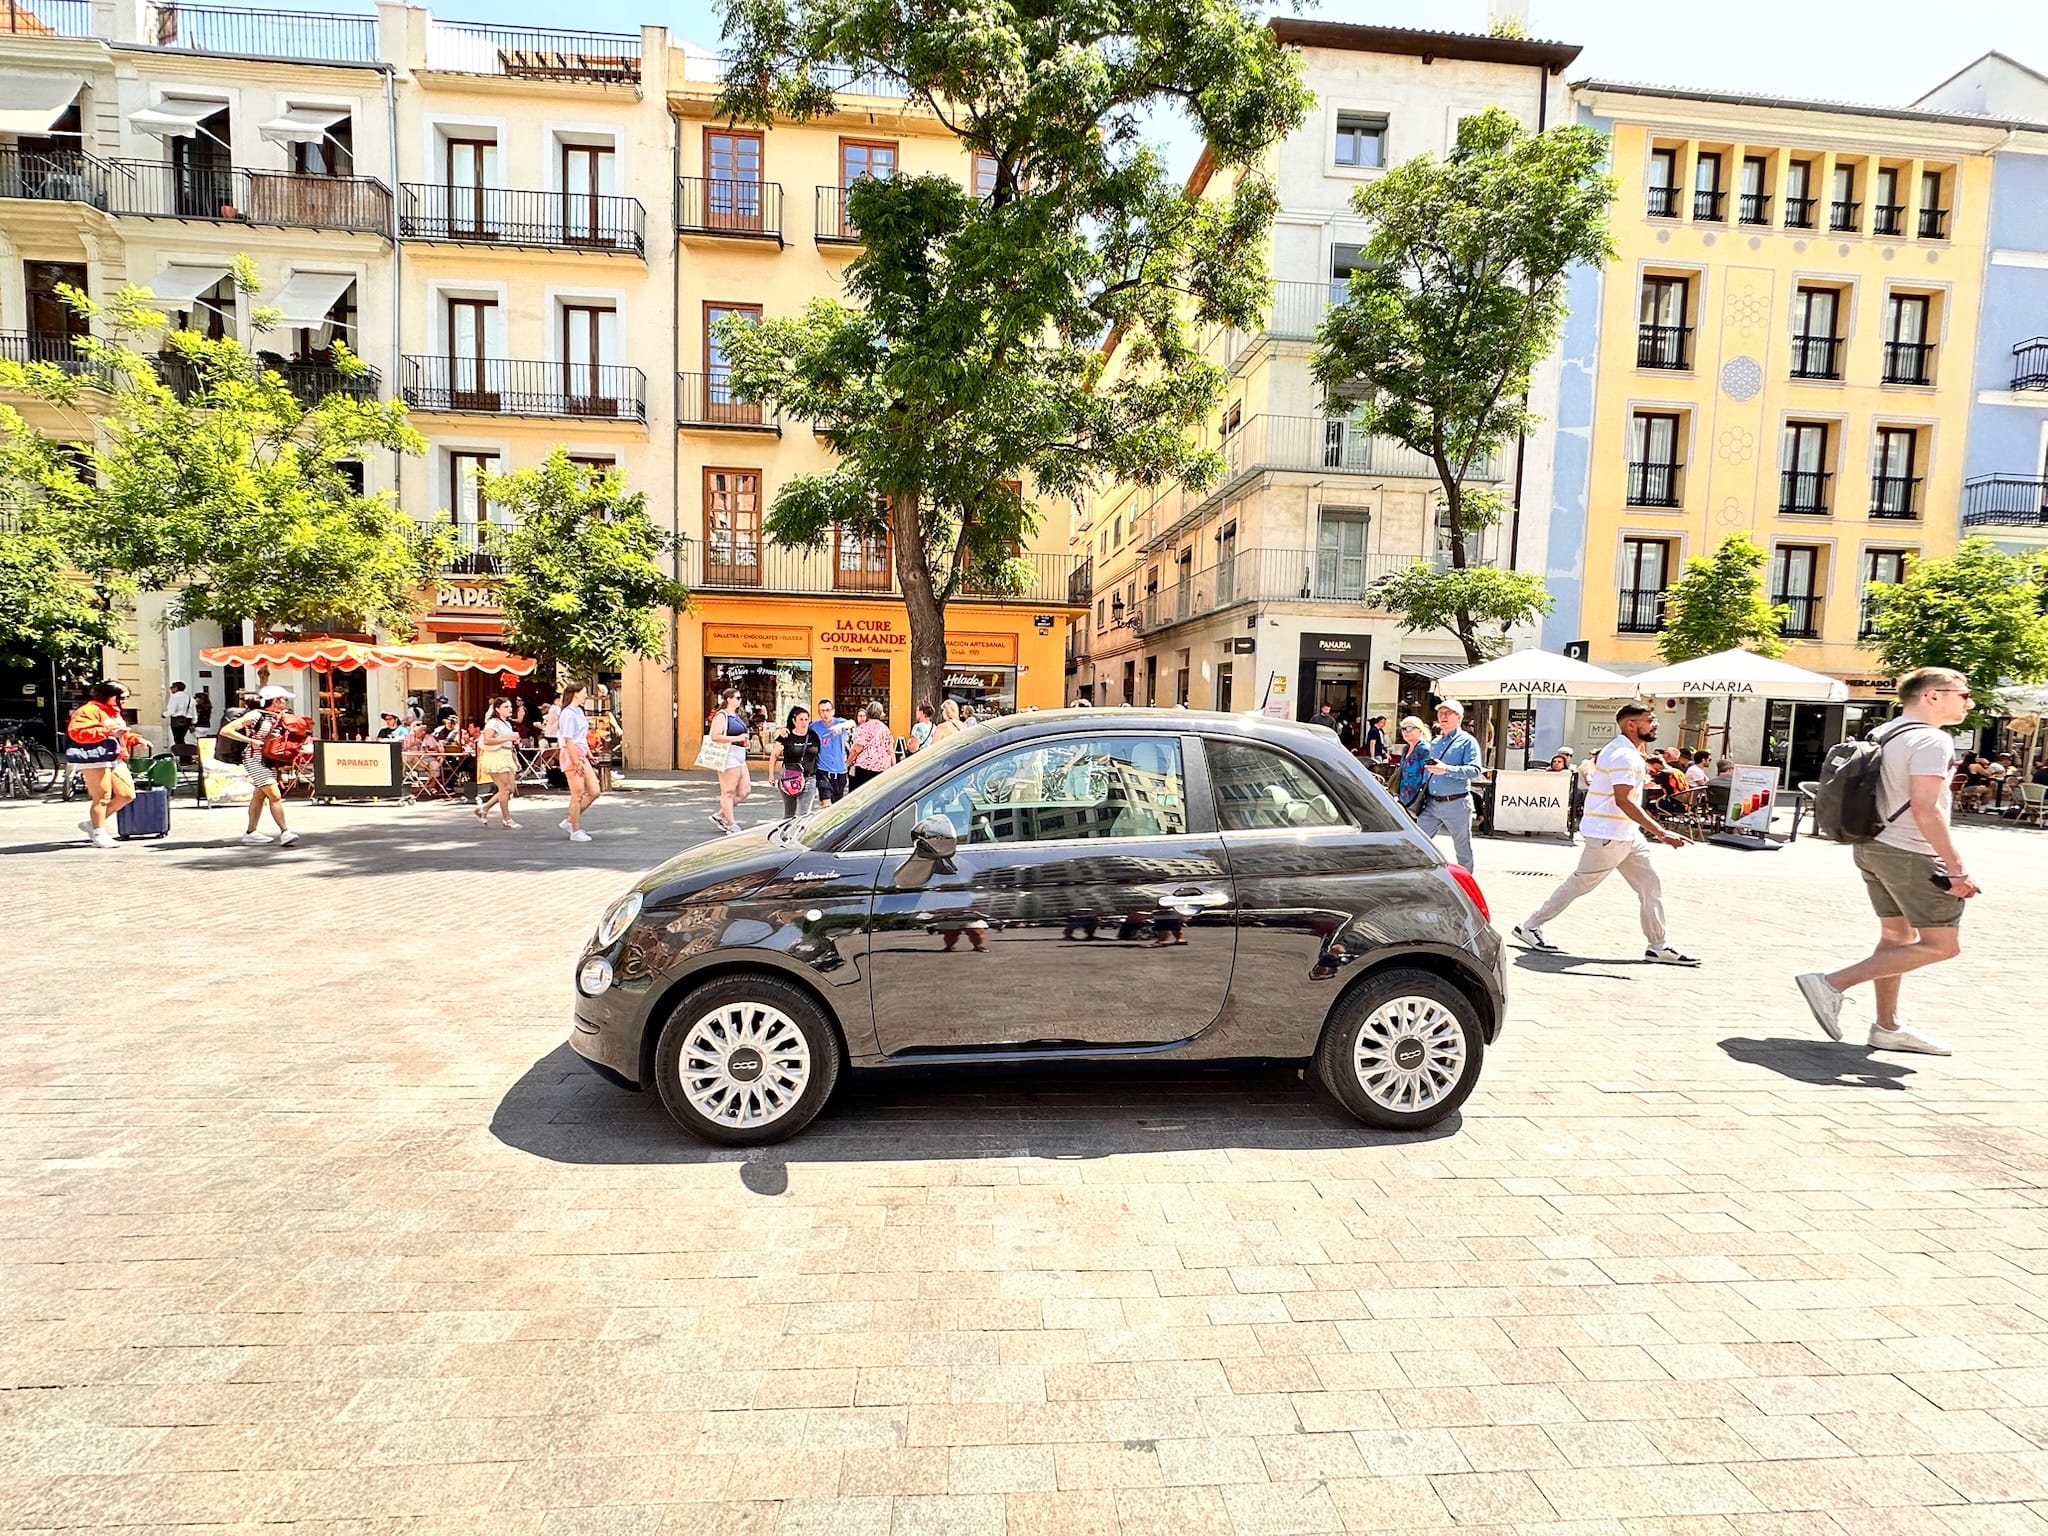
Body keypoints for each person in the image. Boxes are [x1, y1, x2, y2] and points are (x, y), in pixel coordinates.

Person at [1796, 667, 1978, 1056]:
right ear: (1933, 696)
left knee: (1897, 938)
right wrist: (1956, 867)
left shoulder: (1886, 732)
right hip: (1910, 851)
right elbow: (1927, 809)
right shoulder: (1932, 740)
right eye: (1963, 694)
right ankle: (1831, 983)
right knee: (1943, 945)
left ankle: (1887, 1027)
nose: (1969, 702)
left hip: (1872, 845)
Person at [1512, 701, 1697, 965]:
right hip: (1608, 834)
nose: (1655, 724)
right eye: (1650, 719)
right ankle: (1529, 925)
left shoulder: (1627, 752)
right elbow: (1624, 800)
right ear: (1632, 725)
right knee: (1580, 884)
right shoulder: (1623, 755)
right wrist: (1660, 832)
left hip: (1626, 833)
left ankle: (1658, 945)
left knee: (1650, 885)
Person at [219, 685, 300, 848]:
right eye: (283, 699)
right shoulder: (256, 715)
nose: (286, 702)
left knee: (259, 796)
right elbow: (226, 730)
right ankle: (285, 832)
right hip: (253, 759)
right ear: (275, 701)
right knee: (275, 795)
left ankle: (251, 832)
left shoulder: (279, 716)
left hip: (268, 760)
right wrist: (251, 741)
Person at [66, 680, 139, 849]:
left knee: (127, 794)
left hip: (114, 756)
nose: (125, 701)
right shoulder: (88, 710)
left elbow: (120, 734)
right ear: (110, 696)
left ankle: (93, 824)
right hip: (95, 757)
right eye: (123, 698)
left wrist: (135, 739)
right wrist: (107, 731)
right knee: (102, 797)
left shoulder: (113, 711)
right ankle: (98, 832)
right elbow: (77, 732)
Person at [1413, 699, 1481, 868]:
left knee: (1462, 848)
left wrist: (1447, 769)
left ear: (1459, 717)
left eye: (1447, 713)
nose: (1442, 716)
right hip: (1431, 803)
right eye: (1440, 713)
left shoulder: (1467, 741)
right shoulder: (1434, 742)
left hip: (1456, 803)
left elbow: (1475, 770)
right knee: (1417, 843)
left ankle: (1466, 887)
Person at [557, 684, 600, 843]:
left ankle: (570, 820)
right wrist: (576, 762)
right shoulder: (567, 713)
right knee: (577, 793)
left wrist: (588, 753)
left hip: (581, 753)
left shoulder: (578, 711)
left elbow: (581, 736)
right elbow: (568, 740)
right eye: (583, 693)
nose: (586, 696)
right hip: (572, 754)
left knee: (594, 790)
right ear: (575, 694)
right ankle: (575, 829)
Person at [707, 687, 751, 835]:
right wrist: (737, 738)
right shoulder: (722, 715)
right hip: (728, 754)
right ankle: (731, 824)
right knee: (728, 791)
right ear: (728, 699)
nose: (740, 700)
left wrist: (745, 739)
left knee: (745, 790)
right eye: (737, 698)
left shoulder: (736, 715)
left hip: (740, 753)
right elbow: (715, 736)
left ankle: (720, 815)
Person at [473, 696, 521, 829]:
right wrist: (507, 738)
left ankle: (484, 809)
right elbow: (487, 739)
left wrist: (515, 757)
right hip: (496, 756)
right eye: (506, 707)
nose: (510, 709)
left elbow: (508, 742)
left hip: (506, 755)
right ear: (497, 709)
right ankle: (507, 819)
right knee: (505, 789)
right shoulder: (493, 722)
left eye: (510, 706)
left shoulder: (506, 723)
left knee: (509, 789)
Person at [769, 706, 822, 819]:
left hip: (809, 778)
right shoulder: (786, 736)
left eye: (806, 719)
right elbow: (774, 755)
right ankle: (785, 835)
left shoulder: (813, 735)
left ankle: (800, 836)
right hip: (789, 778)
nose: (803, 723)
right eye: (800, 720)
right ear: (794, 721)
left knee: (804, 813)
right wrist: (771, 775)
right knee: (789, 814)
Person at [809, 697, 857, 807]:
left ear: (833, 711)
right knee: (826, 804)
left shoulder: (840, 722)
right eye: (822, 711)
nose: (825, 713)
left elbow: (852, 723)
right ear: (818, 713)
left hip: (840, 771)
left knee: (837, 806)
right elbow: (800, 728)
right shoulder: (814, 726)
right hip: (823, 770)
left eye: (828, 710)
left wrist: (840, 726)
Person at [849, 700, 894, 790]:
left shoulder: (864, 727)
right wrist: (893, 768)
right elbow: (890, 751)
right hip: (882, 769)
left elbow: (857, 749)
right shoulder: (885, 729)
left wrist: (848, 763)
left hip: (864, 769)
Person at [1393, 716, 1431, 815]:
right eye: (1403, 729)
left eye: (1409, 728)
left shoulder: (1424, 749)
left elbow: (1428, 774)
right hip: (1403, 797)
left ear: (1420, 730)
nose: (1405, 732)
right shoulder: (1406, 748)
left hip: (1417, 799)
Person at [165, 681, 195, 751]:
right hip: (187, 720)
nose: (171, 689)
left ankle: (184, 756)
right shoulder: (189, 698)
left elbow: (171, 710)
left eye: (172, 688)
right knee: (181, 738)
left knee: (177, 739)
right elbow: (192, 711)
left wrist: (164, 714)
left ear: (176, 688)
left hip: (176, 720)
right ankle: (185, 757)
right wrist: (193, 723)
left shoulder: (174, 697)